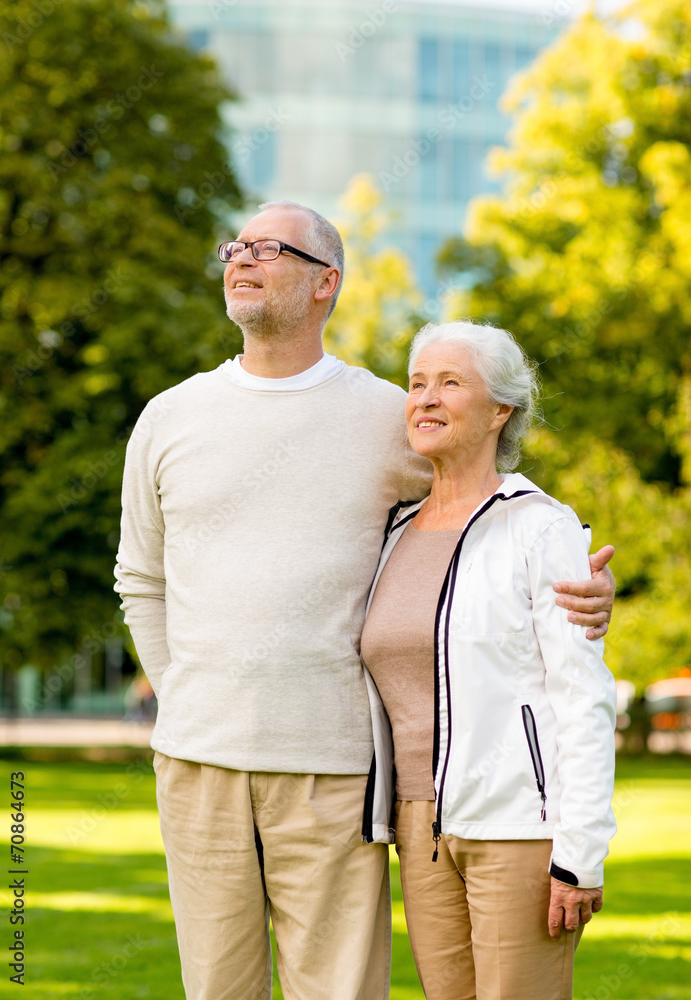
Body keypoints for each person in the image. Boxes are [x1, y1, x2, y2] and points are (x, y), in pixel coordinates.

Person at [113, 201, 615, 1000]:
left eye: (269, 248)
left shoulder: (388, 415)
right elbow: (139, 578)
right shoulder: (169, 417)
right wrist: (187, 693)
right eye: (236, 245)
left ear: (326, 284)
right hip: (197, 761)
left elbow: (485, 490)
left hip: (337, 770)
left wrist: (582, 569)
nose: (243, 257)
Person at [360, 320, 617, 1000]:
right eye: (417, 384)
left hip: (517, 825)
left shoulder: (540, 526)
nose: (425, 399)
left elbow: (582, 694)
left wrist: (580, 854)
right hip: (419, 826)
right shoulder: (390, 531)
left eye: (450, 382)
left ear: (501, 409)